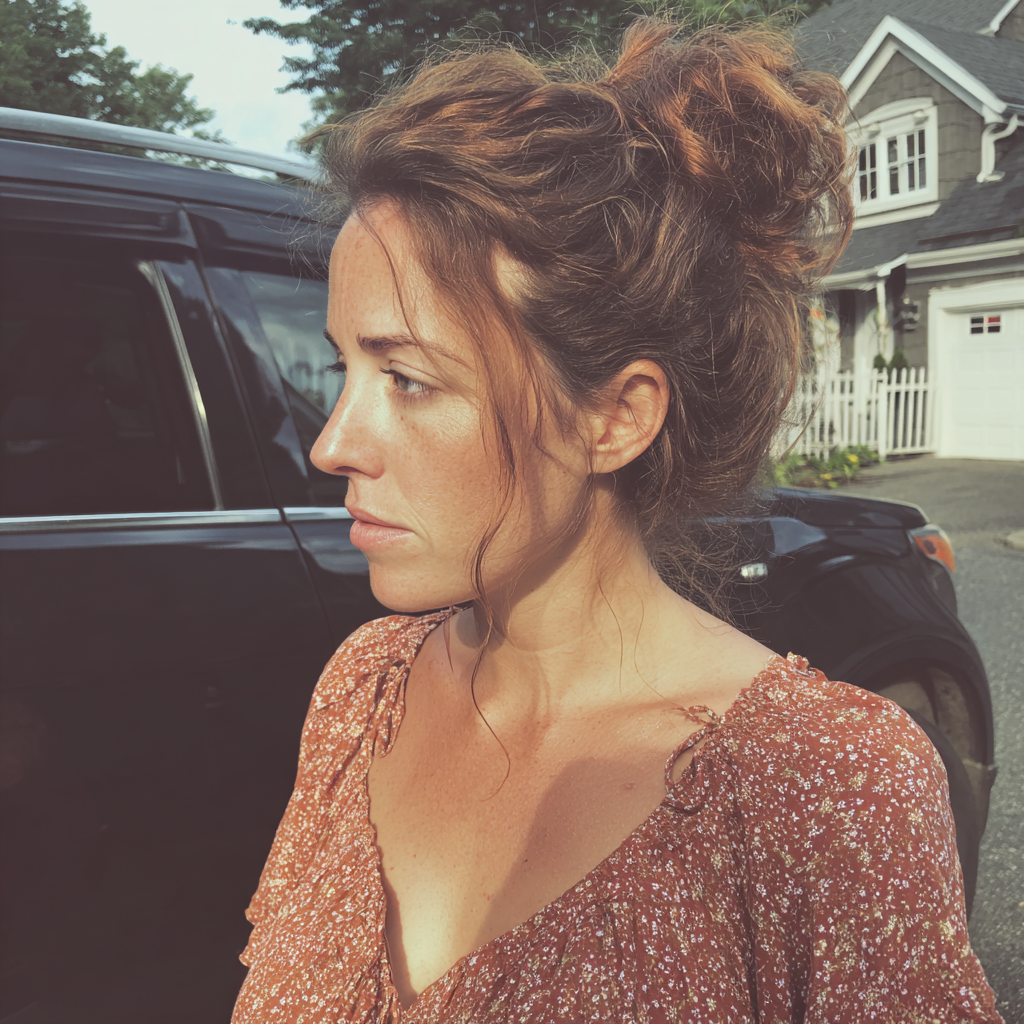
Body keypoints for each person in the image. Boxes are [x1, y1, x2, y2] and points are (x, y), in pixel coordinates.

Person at [231, 17, 1004, 1023]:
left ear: (615, 415)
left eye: (408, 379)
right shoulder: (360, 693)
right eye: (344, 368)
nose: (331, 441)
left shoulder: (822, 787)